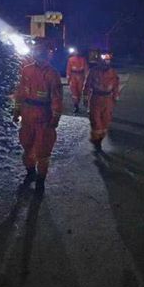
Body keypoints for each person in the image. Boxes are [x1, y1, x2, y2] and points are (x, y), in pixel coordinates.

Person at [13, 40, 63, 195]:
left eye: (42, 53)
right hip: (28, 117)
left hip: (43, 118)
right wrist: (17, 110)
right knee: (27, 146)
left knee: (43, 151)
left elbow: (57, 98)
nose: (39, 55)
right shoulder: (26, 70)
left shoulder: (52, 74)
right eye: (38, 52)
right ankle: (30, 173)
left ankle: (40, 182)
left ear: (48, 55)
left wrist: (55, 118)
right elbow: (20, 92)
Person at [83, 51, 120, 151]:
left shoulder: (112, 72)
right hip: (96, 98)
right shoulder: (93, 71)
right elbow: (87, 85)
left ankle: (99, 138)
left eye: (107, 60)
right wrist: (85, 97)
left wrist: (115, 97)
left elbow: (116, 85)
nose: (105, 62)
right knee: (95, 121)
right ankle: (96, 141)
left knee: (105, 121)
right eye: (104, 60)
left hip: (107, 99)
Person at [66, 47, 88, 114]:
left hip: (80, 77)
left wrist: (86, 78)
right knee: (74, 92)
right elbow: (68, 69)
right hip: (74, 77)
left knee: (79, 91)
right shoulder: (70, 59)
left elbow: (86, 69)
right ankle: (76, 105)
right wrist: (68, 79)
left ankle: (78, 104)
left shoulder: (83, 59)